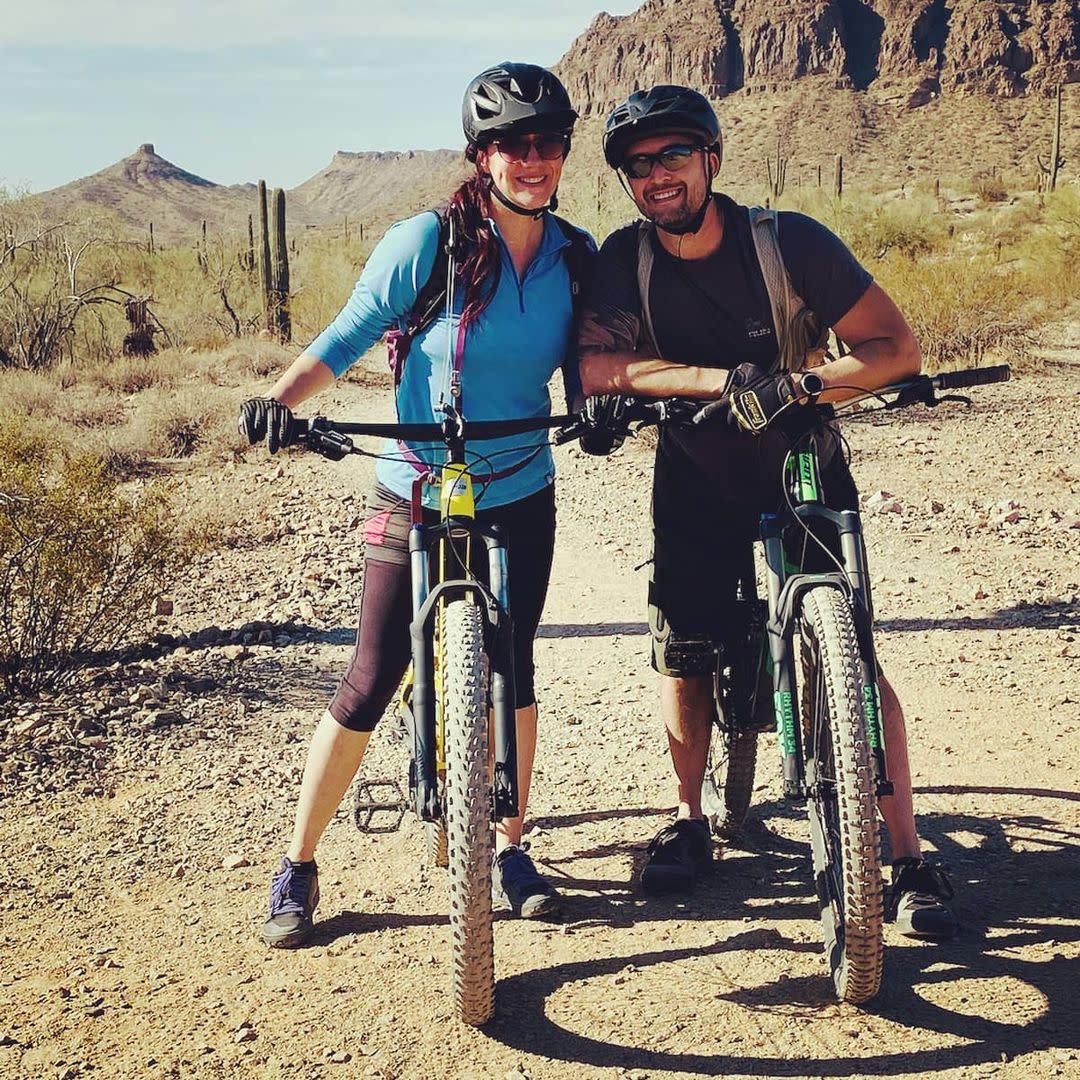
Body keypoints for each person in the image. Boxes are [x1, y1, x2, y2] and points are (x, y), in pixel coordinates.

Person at [576, 84, 957, 938]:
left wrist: (802, 385)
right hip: (694, 473)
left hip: (801, 462)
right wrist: (717, 383)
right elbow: (597, 369)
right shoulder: (623, 258)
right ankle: (688, 818)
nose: (657, 175)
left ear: (711, 159)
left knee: (853, 655)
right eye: (638, 165)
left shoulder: (787, 244)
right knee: (684, 647)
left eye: (674, 154)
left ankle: (905, 853)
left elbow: (894, 349)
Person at [239, 62, 594, 947]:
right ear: (481, 155)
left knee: (514, 665)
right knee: (370, 676)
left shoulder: (575, 256)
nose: (533, 159)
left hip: (518, 484)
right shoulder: (425, 242)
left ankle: (512, 848)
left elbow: (595, 355)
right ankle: (299, 863)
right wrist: (279, 404)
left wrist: (600, 405)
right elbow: (344, 337)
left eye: (547, 142)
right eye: (513, 144)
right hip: (417, 485)